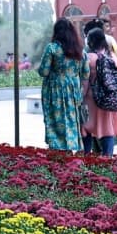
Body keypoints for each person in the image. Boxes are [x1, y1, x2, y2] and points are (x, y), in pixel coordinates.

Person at [37, 18, 88, 151]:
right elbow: (86, 74)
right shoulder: (80, 51)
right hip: (73, 91)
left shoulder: (52, 48)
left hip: (55, 91)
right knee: (71, 120)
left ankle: (57, 152)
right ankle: (72, 148)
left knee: (55, 120)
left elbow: (43, 71)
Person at [81, 26, 117, 156]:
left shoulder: (88, 58)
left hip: (91, 100)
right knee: (107, 131)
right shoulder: (113, 58)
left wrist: (80, 99)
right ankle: (107, 159)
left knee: (86, 129)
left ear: (90, 42)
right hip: (108, 99)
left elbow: (85, 83)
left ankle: (86, 157)